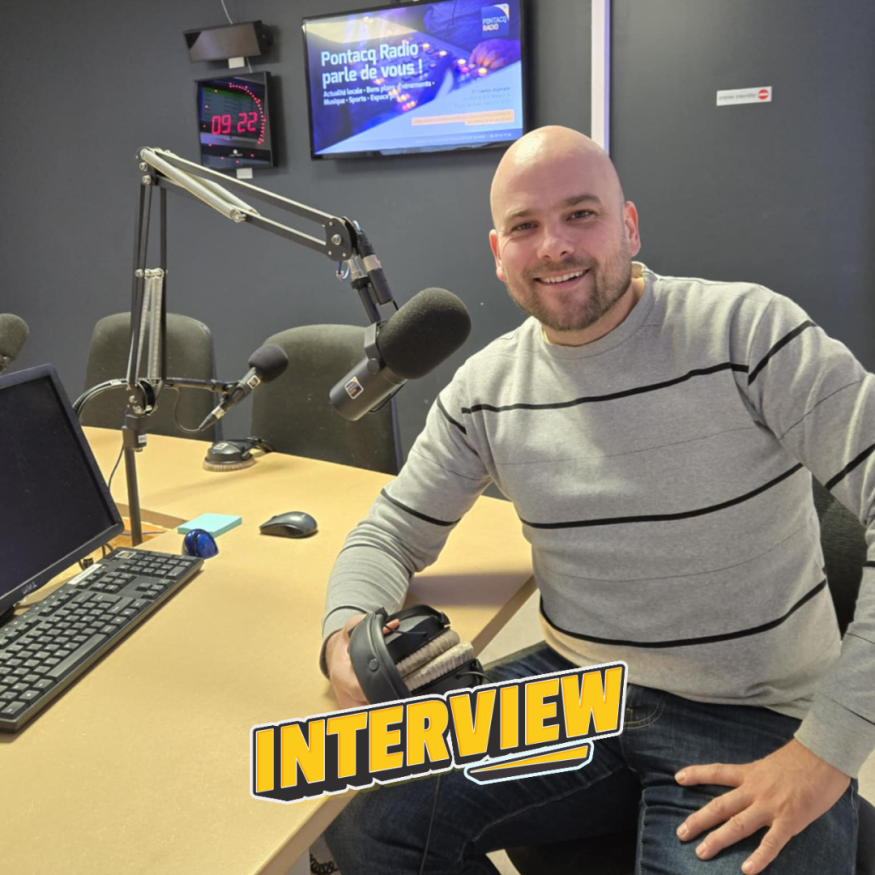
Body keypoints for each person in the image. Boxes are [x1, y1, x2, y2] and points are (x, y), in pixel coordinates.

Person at [320, 126, 869, 873]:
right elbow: (389, 532)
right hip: (575, 691)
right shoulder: (487, 390)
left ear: (629, 227)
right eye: (524, 226)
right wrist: (344, 636)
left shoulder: (747, 332)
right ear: (498, 253)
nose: (553, 246)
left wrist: (826, 753)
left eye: (581, 214)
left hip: (755, 711)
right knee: (365, 826)